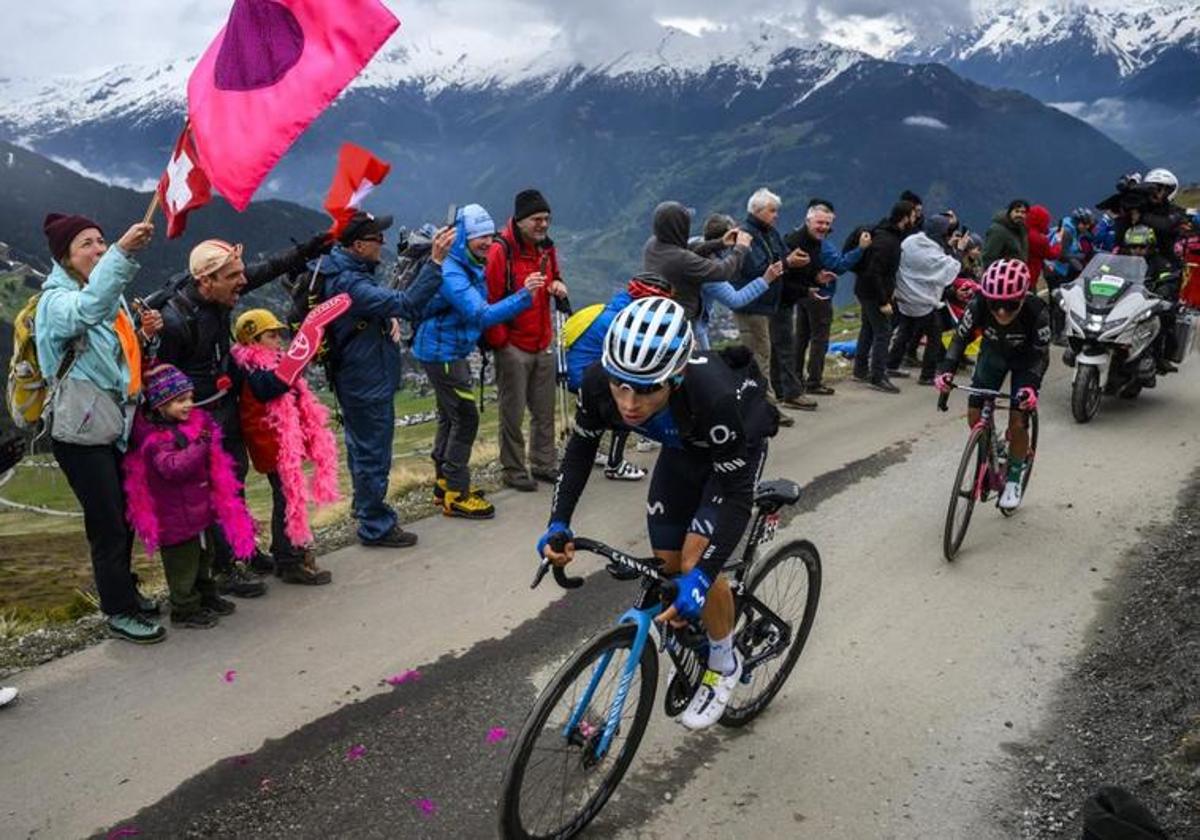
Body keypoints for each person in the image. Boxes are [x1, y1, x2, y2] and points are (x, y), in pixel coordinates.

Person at [540, 295, 779, 730]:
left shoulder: (714, 399)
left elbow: (737, 496)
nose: (629, 403)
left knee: (693, 564)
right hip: (682, 449)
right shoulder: (598, 383)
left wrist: (703, 578)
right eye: (621, 384)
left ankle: (723, 660)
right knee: (667, 567)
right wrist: (558, 522)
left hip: (732, 455)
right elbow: (578, 452)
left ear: (677, 376)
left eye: (648, 388)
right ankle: (701, 632)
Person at [159, 232, 330, 594]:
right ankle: (224, 569)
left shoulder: (219, 293)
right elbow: (161, 381)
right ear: (206, 280)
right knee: (215, 489)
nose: (243, 281)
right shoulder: (175, 322)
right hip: (197, 418)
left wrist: (310, 247)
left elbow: (267, 269)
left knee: (233, 486)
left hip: (226, 410)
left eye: (240, 273)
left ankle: (242, 550)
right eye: (234, 277)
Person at [35, 212, 166, 644]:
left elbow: (114, 356)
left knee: (123, 516)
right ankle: (119, 610)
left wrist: (144, 339)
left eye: (101, 240)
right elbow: (87, 310)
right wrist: (123, 252)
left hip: (114, 425)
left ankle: (124, 590)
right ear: (65, 258)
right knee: (107, 522)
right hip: (81, 434)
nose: (98, 249)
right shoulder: (55, 302)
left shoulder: (113, 297)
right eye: (86, 244)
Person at [320, 212, 452, 543]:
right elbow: (406, 303)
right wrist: (435, 262)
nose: (383, 245)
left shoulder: (345, 270)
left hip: (356, 374)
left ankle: (363, 507)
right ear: (360, 245)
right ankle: (375, 525)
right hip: (365, 379)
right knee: (373, 453)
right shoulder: (350, 282)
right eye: (377, 240)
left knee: (360, 447)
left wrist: (382, 318)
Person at [413, 204, 541, 519]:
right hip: (443, 354)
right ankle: (457, 494)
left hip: (447, 350)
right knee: (466, 418)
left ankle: (445, 485)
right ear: (462, 239)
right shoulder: (452, 271)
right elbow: (480, 314)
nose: (486, 242)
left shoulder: (466, 261)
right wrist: (524, 297)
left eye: (489, 235)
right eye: (478, 237)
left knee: (449, 417)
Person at [123, 363, 255, 628]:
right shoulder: (155, 440)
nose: (188, 405)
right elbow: (174, 468)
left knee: (203, 558)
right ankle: (184, 608)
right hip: (175, 520)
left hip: (198, 514)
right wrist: (202, 444)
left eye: (190, 399)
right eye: (180, 400)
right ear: (160, 405)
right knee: (182, 566)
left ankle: (206, 595)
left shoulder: (184, 428)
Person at [230, 309, 339, 585]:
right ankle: (288, 558)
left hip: (282, 441)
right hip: (271, 444)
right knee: (287, 498)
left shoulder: (272, 360)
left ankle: (287, 551)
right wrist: (298, 356)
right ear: (252, 339)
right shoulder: (253, 366)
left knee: (289, 496)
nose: (278, 339)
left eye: (279, 334)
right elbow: (272, 387)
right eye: (271, 335)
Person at [935, 259, 1050, 511]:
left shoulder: (1036, 310)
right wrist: (945, 371)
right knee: (974, 415)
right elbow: (959, 341)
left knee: (1018, 421)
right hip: (993, 355)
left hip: (1026, 361)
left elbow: (1040, 355)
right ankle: (992, 448)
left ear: (1022, 298)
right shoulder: (977, 304)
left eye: (1010, 306)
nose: (1001, 312)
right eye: (995, 304)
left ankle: (1013, 478)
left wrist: (1030, 388)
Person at [484, 189, 570, 492]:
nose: (543, 225)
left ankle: (544, 464)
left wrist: (558, 284)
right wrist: (502, 343)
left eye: (546, 219)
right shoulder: (501, 251)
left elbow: (555, 276)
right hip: (513, 345)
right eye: (537, 219)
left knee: (544, 411)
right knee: (513, 413)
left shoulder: (545, 248)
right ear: (520, 221)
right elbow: (491, 299)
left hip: (541, 340)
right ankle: (514, 469)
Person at [562, 273, 679, 481]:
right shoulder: (624, 320)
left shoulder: (616, 308)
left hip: (574, 372)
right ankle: (615, 464)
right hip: (583, 377)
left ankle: (591, 447)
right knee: (627, 407)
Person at [730, 188, 796, 425]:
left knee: (760, 356)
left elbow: (782, 255)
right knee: (759, 357)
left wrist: (789, 260)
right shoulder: (746, 235)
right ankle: (767, 411)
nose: (776, 215)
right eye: (772, 210)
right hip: (752, 306)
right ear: (757, 211)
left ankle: (754, 408)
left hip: (765, 305)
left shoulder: (769, 232)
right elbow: (754, 268)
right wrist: (786, 262)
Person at [789, 201, 869, 397]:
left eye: (827, 223)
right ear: (809, 220)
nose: (824, 227)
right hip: (820, 295)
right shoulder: (822, 246)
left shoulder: (798, 238)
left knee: (801, 337)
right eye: (820, 223)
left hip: (802, 295)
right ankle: (814, 381)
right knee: (820, 339)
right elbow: (839, 266)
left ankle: (796, 377)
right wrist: (860, 249)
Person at [642, 200, 752, 324]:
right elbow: (722, 272)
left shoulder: (652, 244)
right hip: (680, 321)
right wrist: (741, 249)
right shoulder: (682, 260)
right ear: (679, 227)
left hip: (659, 312)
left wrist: (720, 243)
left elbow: (686, 250)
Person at [887, 216, 962, 384]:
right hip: (923, 300)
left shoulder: (910, 242)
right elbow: (951, 269)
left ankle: (891, 364)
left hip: (905, 296)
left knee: (904, 332)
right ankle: (927, 374)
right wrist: (959, 251)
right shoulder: (932, 254)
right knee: (934, 336)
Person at [690, 214, 782, 350]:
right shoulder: (709, 269)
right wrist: (765, 280)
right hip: (694, 326)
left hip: (686, 318)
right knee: (703, 364)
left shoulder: (693, 244)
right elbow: (735, 299)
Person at [853, 200, 918, 393]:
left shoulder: (884, 234)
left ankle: (861, 369)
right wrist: (883, 301)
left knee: (868, 328)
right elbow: (875, 272)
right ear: (905, 217)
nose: (915, 219)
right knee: (883, 331)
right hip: (874, 293)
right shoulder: (887, 241)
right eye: (913, 216)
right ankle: (878, 376)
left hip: (864, 290)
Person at [1024, 205, 1063, 290]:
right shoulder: (1038, 239)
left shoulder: (1022, 230)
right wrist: (1058, 241)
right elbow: (1052, 254)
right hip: (1030, 273)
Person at [981, 200, 1030, 267]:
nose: (1020, 215)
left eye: (1023, 212)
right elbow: (988, 257)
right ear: (1010, 212)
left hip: (1015, 273)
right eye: (1017, 211)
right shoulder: (998, 230)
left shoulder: (1022, 230)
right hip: (1000, 273)